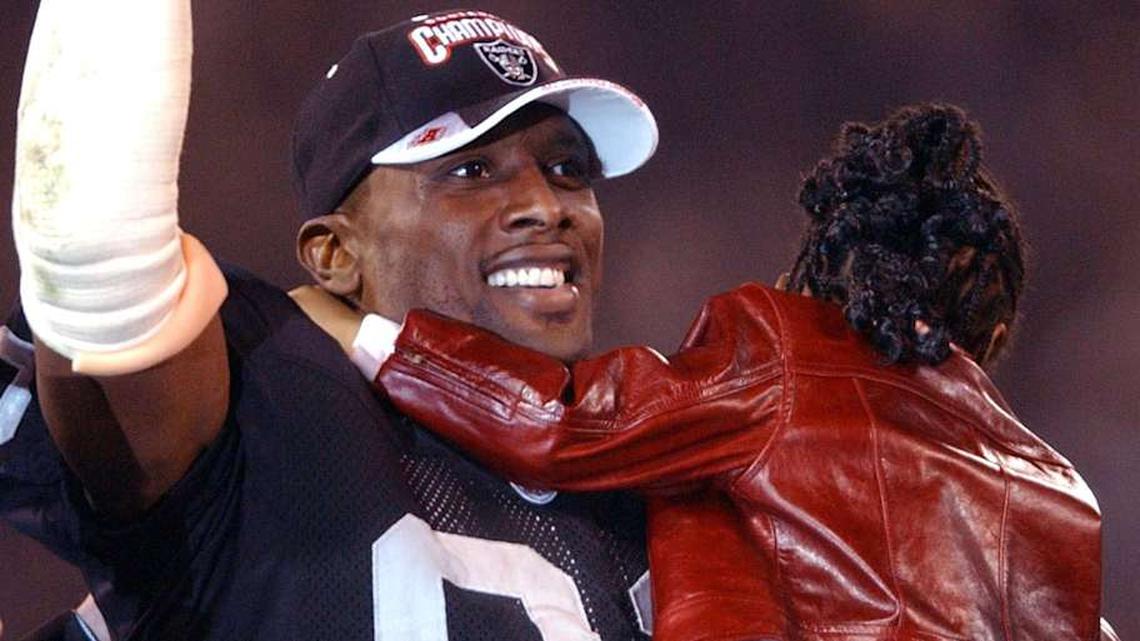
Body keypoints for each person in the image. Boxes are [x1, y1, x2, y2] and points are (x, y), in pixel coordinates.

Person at [303, 104, 1110, 640]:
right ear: (997, 333)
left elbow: (564, 421)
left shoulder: (786, 350)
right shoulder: (1064, 494)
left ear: (818, 269)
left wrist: (361, 333)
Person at [1, 2, 663, 639]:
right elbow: (95, 250)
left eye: (566, 168)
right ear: (336, 254)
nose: (545, 206)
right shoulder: (266, 398)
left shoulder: (663, 453)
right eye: (471, 169)